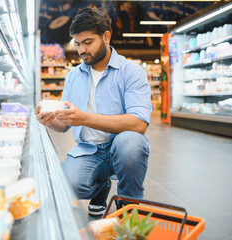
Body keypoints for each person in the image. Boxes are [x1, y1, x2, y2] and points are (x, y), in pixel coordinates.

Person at [35, 7, 152, 217]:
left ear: (106, 36)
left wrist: (85, 119)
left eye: (88, 42)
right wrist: (50, 120)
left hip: (121, 145)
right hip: (89, 150)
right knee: (68, 185)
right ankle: (100, 189)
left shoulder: (131, 72)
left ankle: (129, 204)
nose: (81, 50)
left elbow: (138, 124)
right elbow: (64, 126)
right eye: (77, 44)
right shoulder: (73, 77)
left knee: (132, 143)